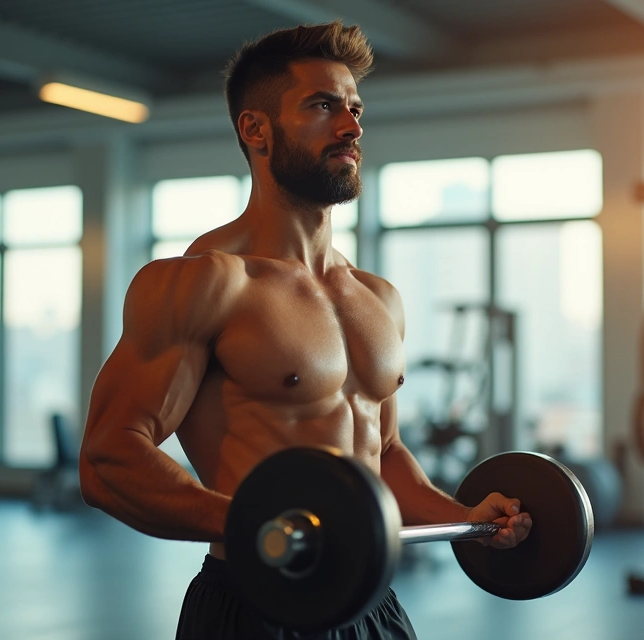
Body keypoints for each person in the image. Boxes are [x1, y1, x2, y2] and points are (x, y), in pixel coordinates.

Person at [80, 20, 532, 640]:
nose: (351, 127)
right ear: (255, 129)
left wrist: (465, 517)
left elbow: (385, 456)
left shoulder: (378, 298)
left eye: (354, 109)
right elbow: (108, 458)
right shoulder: (205, 283)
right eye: (322, 106)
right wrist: (259, 525)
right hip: (258, 603)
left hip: (372, 601)